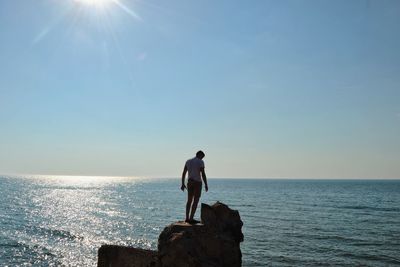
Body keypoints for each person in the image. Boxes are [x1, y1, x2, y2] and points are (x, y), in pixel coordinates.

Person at [181, 150, 208, 224]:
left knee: (189, 200)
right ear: (200, 155)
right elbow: (203, 174)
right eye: (202, 157)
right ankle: (191, 218)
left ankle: (187, 218)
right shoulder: (200, 162)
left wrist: (183, 183)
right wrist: (206, 184)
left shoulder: (188, 161)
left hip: (189, 182)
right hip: (197, 183)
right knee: (195, 200)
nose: (202, 158)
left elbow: (184, 173)